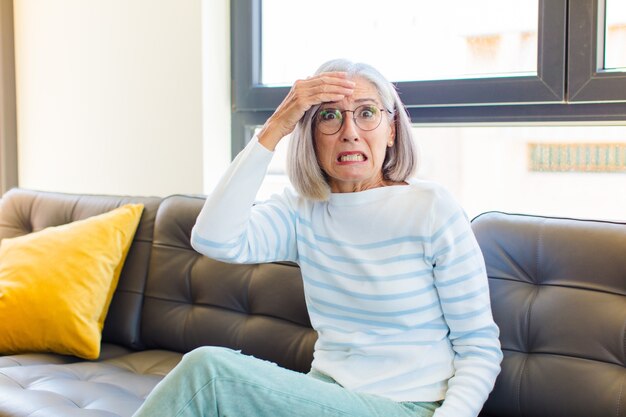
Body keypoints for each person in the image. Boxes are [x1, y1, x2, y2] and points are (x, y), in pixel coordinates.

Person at [133, 59, 502, 417]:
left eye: (366, 112)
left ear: (391, 131)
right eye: (330, 116)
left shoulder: (431, 207)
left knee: (208, 373)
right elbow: (213, 238)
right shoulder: (301, 210)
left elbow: (479, 348)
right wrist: (277, 125)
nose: (350, 131)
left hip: (408, 405)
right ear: (309, 134)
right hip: (322, 396)